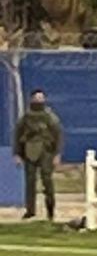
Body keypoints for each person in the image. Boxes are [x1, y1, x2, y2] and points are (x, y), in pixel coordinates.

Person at [13, 88, 62, 221]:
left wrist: (57, 154)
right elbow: (17, 135)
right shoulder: (25, 118)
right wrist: (17, 154)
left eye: (41, 98)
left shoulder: (50, 117)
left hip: (46, 152)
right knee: (30, 182)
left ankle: (50, 211)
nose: (39, 100)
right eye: (37, 98)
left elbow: (58, 135)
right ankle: (30, 210)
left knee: (47, 182)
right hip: (29, 152)